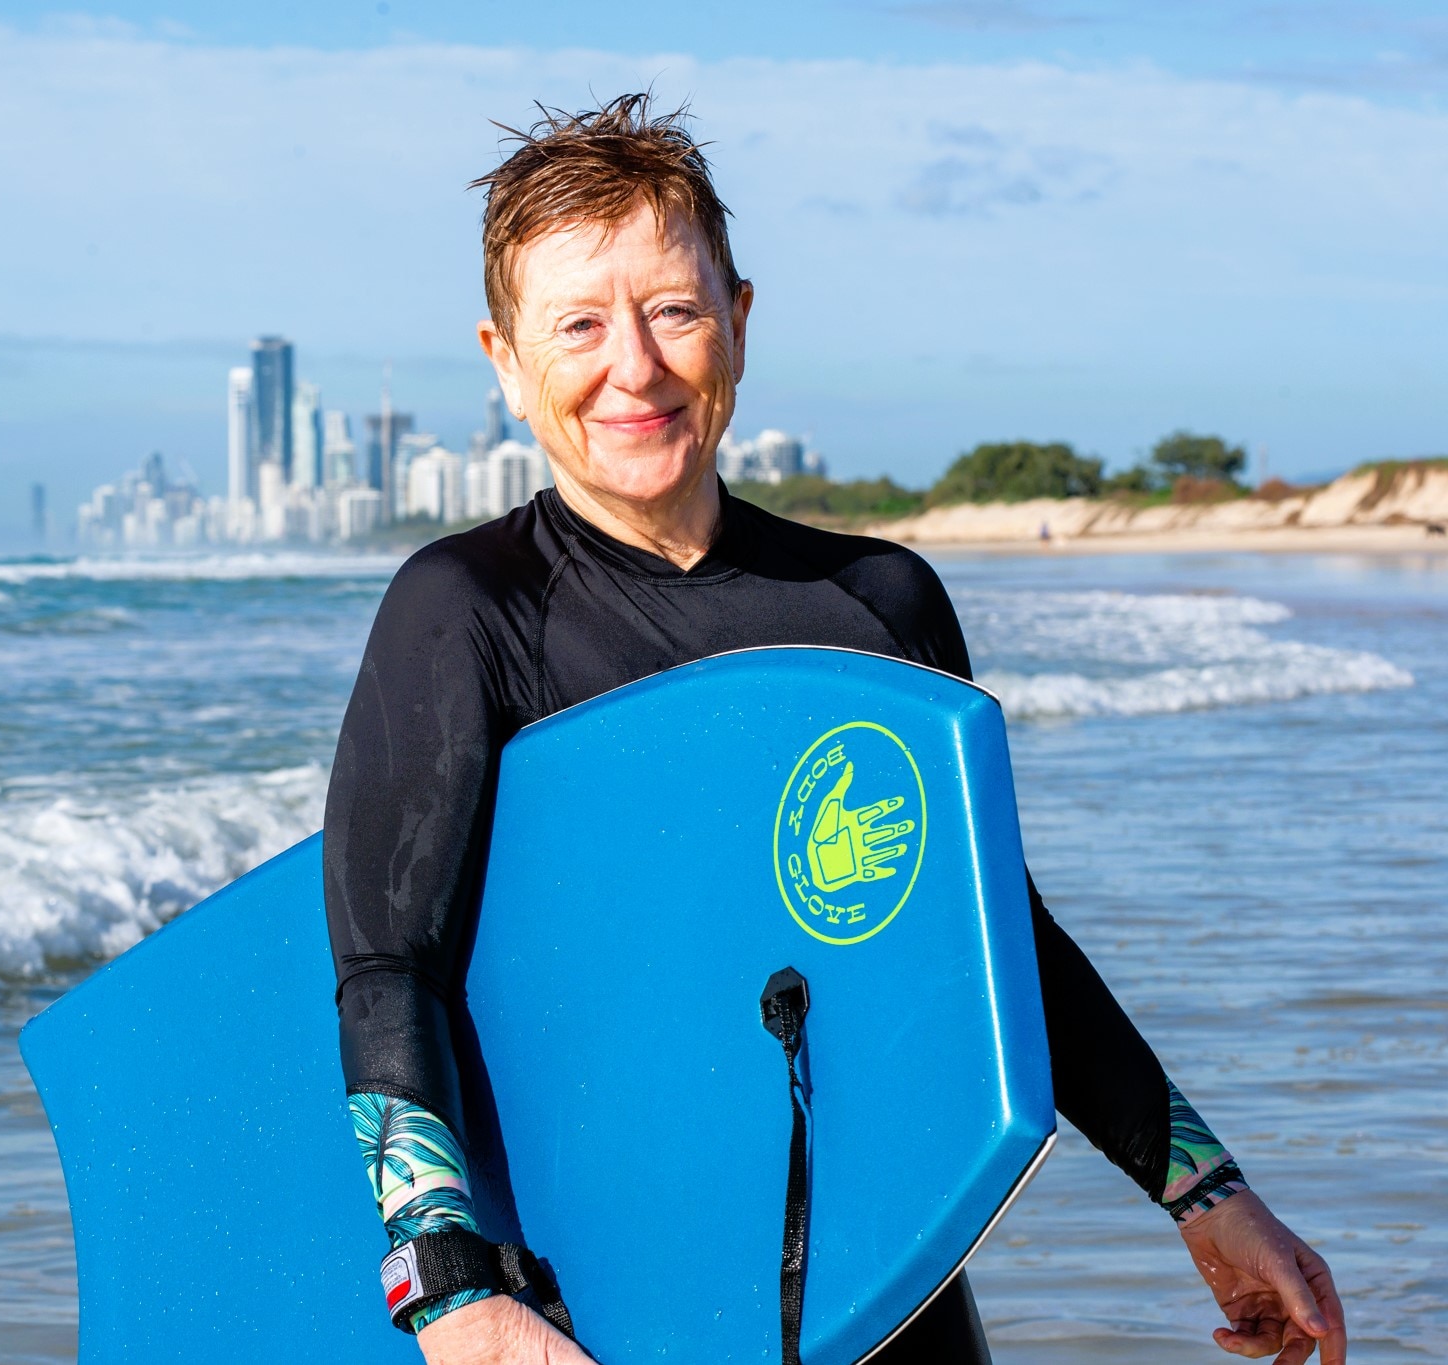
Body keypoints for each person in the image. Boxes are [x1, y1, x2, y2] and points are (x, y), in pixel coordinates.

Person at [323, 94, 1346, 1365]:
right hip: (598, 1302)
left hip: (886, 1290)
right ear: (503, 361)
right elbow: (387, 969)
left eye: (673, 311)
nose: (630, 366)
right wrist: (447, 1290)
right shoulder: (465, 610)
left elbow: (994, 947)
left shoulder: (875, 603)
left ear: (738, 325)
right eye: (577, 324)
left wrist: (1205, 1193)